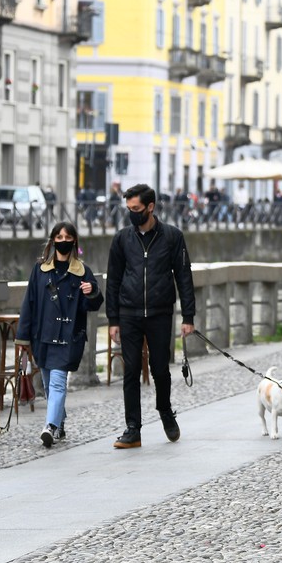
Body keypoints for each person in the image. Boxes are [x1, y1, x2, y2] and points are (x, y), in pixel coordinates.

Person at [106, 184, 196, 449]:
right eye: (129, 209)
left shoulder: (172, 237)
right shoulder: (122, 239)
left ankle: (165, 411)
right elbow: (113, 280)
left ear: (150, 207)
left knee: (160, 369)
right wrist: (113, 320)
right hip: (129, 313)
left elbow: (184, 276)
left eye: (136, 209)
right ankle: (133, 428)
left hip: (159, 313)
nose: (132, 213)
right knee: (131, 370)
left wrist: (188, 316)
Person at [15, 222, 104, 448]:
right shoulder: (40, 270)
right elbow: (29, 304)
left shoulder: (83, 272)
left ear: (74, 241)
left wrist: (91, 291)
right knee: (48, 385)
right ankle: (60, 422)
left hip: (69, 337)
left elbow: (93, 304)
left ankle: (50, 426)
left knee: (57, 384)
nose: (63, 240)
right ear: (53, 240)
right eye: (59, 236)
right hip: (42, 336)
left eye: (67, 237)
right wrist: (23, 339)